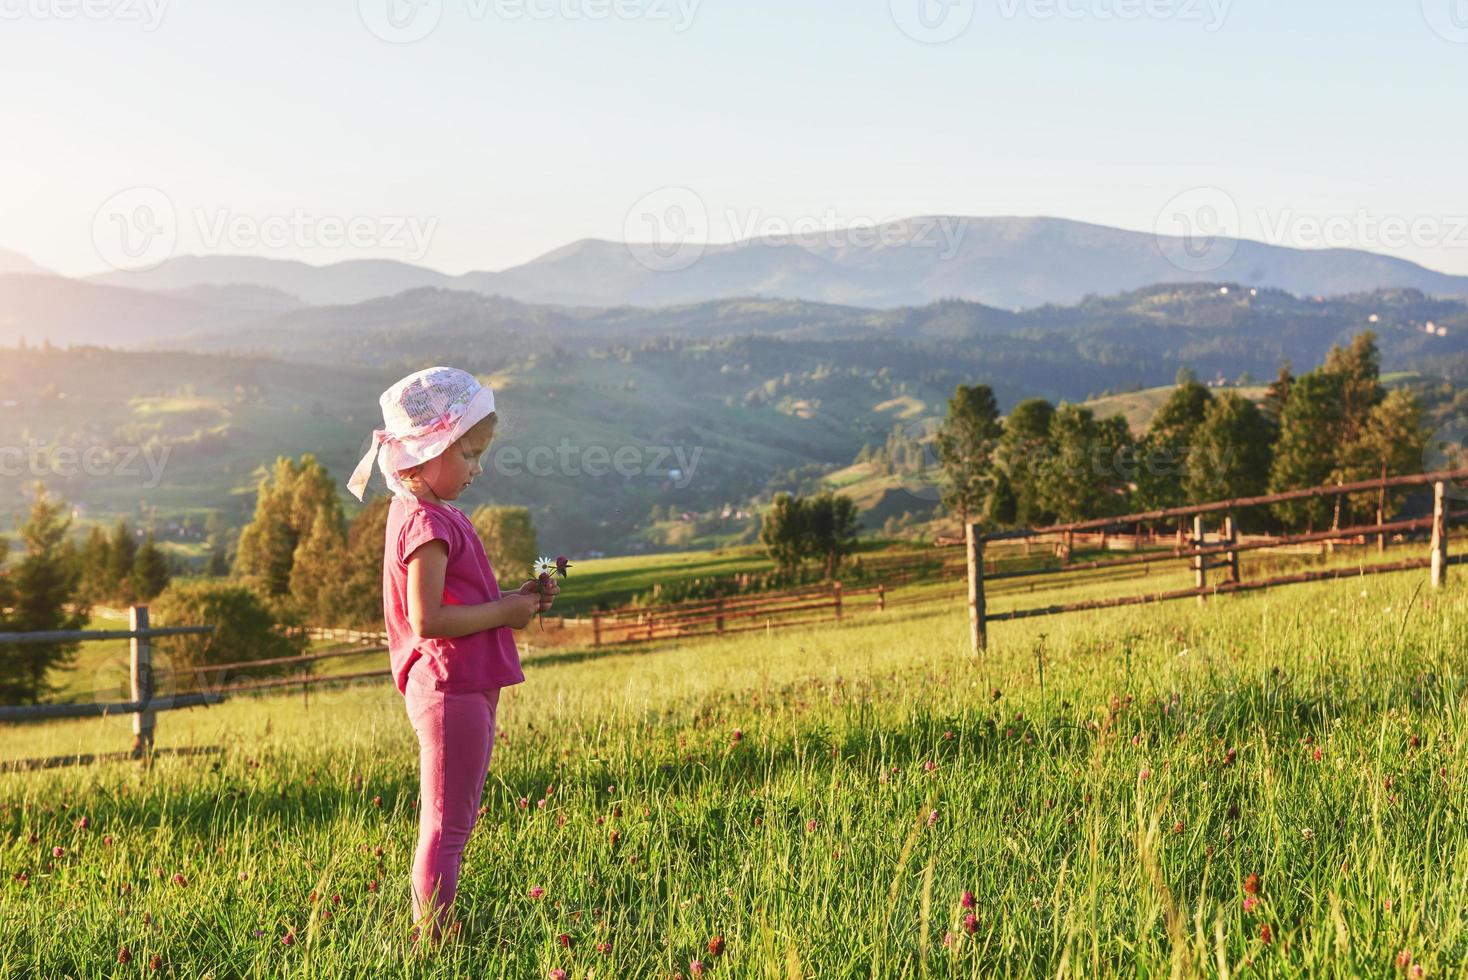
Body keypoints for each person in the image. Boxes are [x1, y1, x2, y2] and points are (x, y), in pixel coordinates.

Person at [347, 365, 559, 944]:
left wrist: (514, 601)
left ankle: (436, 927)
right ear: (428, 449)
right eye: (469, 453)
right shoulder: (424, 522)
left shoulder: (430, 514)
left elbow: (455, 601)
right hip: (449, 689)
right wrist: (505, 615)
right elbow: (429, 620)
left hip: (463, 683)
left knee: (453, 819)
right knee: (446, 825)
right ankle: (432, 938)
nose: (477, 467)